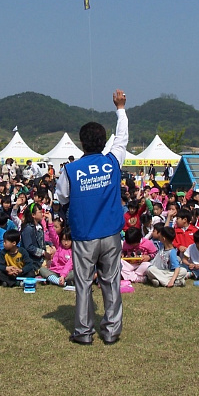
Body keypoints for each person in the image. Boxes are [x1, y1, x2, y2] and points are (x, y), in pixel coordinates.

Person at [56, 89, 128, 346]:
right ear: (103, 141)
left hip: (84, 236)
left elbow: (62, 199)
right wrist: (120, 108)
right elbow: (122, 139)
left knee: (84, 284)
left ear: (81, 143)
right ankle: (110, 331)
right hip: (110, 233)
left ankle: (84, 332)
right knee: (111, 283)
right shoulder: (113, 161)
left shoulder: (70, 170)